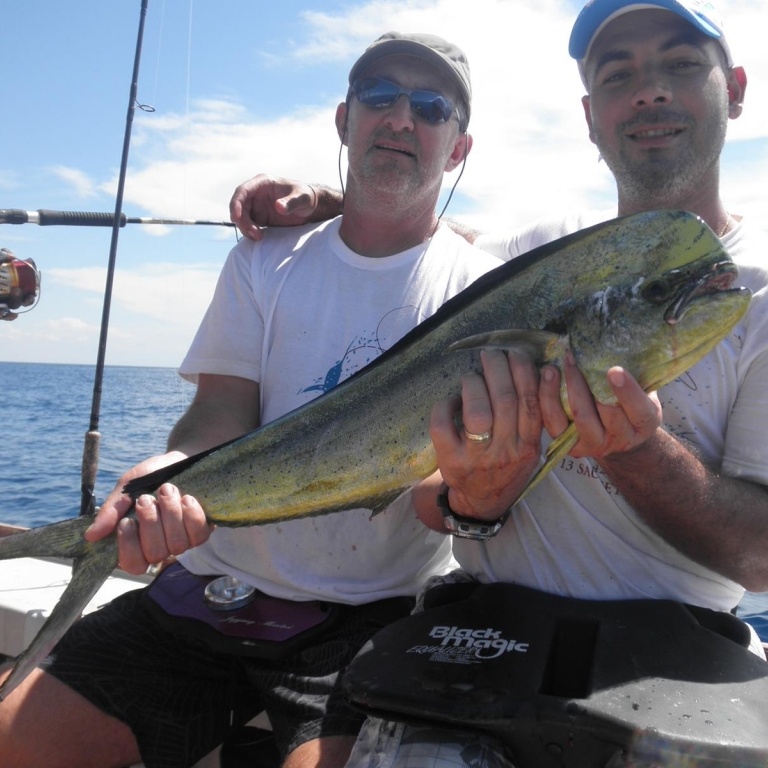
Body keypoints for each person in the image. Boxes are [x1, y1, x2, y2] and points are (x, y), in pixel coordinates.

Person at [229, 1, 768, 765]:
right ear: (590, 116)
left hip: (676, 664)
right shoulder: (537, 253)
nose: (648, 91)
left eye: (680, 64)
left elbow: (762, 560)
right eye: (620, 75)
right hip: (470, 638)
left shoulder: (759, 295)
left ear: (736, 88)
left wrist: (638, 451)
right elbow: (417, 229)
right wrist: (325, 199)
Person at [0, 32, 506, 768]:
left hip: (369, 620)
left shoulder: (481, 291)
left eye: (430, 107)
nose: (401, 118)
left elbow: (439, 480)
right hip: (207, 591)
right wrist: (168, 473)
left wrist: (474, 488)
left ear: (457, 149)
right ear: (345, 120)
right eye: (380, 97)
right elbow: (219, 417)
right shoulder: (262, 260)